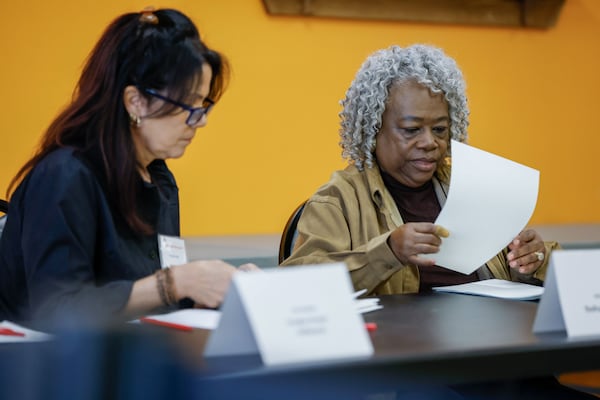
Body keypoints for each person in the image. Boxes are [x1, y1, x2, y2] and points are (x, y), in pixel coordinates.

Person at [0, 7, 258, 328]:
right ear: (135, 101)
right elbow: (58, 308)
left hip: (127, 353)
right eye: (188, 104)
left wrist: (222, 285)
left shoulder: (159, 178)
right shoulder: (66, 176)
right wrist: (177, 282)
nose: (200, 120)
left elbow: (149, 295)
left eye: (203, 105)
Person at [281, 44, 558, 295]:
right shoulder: (338, 200)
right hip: (397, 344)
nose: (429, 142)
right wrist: (388, 251)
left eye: (439, 129)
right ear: (372, 130)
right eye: (412, 130)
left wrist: (532, 262)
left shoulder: (474, 188)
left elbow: (513, 279)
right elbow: (298, 286)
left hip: (486, 338)